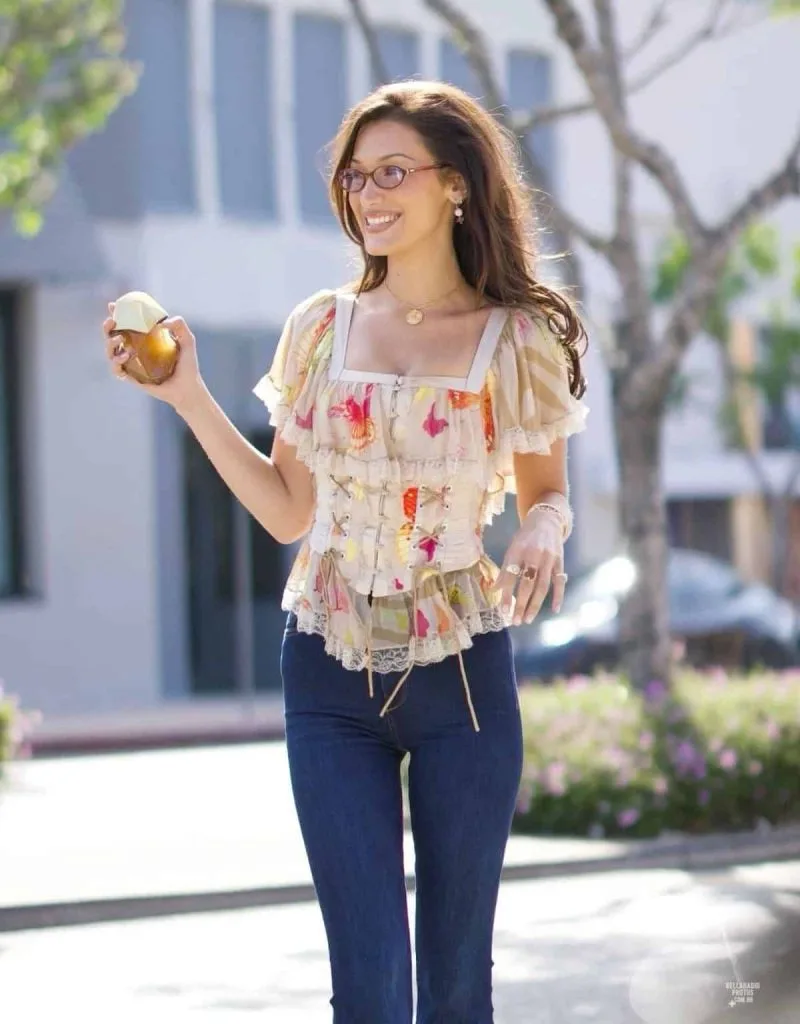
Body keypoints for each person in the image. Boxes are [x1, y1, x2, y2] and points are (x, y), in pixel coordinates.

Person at [103, 79, 588, 1024]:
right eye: (356, 176)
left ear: (456, 185)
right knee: (365, 989)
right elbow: (289, 511)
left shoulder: (516, 338)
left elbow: (548, 491)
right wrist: (192, 398)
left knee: (454, 987)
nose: (367, 194)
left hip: (462, 678)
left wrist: (542, 525)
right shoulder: (319, 331)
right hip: (325, 667)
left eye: (392, 172)